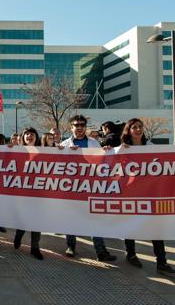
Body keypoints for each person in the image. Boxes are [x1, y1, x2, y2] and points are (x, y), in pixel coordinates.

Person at [119, 118, 175, 274]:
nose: (138, 129)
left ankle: (162, 262)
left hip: (150, 194)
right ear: (128, 130)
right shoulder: (123, 148)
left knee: (156, 228)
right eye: (134, 127)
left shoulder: (151, 148)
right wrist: (112, 150)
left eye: (140, 127)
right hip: (130, 195)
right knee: (130, 226)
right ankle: (131, 254)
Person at [60, 115, 117, 262]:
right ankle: (71, 246)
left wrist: (108, 151)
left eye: (82, 125)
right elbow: (57, 166)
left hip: (91, 188)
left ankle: (101, 251)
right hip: (71, 188)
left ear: (85, 127)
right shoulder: (64, 145)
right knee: (71, 218)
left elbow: (103, 162)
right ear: (71, 127)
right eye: (76, 125)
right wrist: (64, 153)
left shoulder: (94, 143)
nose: (79, 127)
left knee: (94, 219)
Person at [10, 127, 44, 260]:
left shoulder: (44, 151)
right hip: (22, 193)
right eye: (27, 134)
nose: (29, 136)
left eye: (32, 134)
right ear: (23, 137)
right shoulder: (17, 151)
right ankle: (18, 235)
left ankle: (35, 247)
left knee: (36, 221)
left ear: (36, 137)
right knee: (23, 218)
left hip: (38, 193)